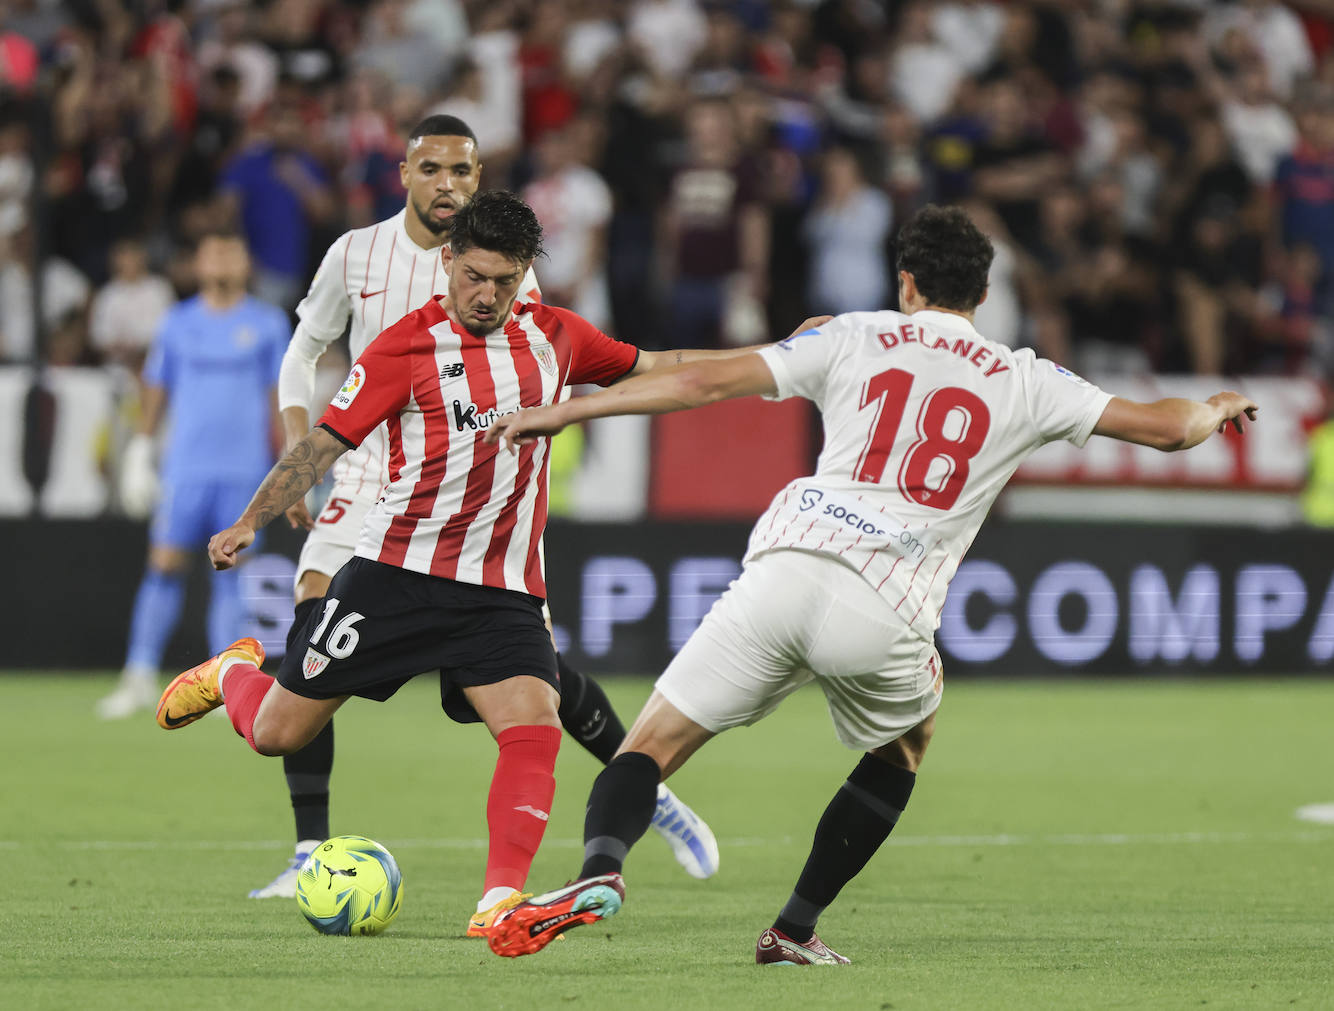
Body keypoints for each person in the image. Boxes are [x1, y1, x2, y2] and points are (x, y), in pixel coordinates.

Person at [480, 205, 1259, 964]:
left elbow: (703, 384)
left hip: (787, 564)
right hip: (887, 599)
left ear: (907, 282)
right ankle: (792, 928)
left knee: (650, 744)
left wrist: (574, 411)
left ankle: (599, 868)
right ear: (983, 297)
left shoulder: (849, 333)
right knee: (906, 746)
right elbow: (1166, 428)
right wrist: (1218, 404)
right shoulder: (1028, 379)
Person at [155, 191, 813, 937]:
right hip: (397, 575)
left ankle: (498, 901)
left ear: (526, 273)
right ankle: (231, 672)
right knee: (278, 731)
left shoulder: (556, 338)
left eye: (504, 280)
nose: (487, 295)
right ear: (447, 262)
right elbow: (324, 444)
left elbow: (663, 366)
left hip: (501, 590)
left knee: (534, 720)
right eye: (473, 276)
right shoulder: (405, 347)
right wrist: (251, 519)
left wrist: (782, 355)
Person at [251, 116, 718, 924]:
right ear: (404, 173)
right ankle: (301, 832)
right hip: (375, 493)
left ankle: (592, 821)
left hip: (488, 529)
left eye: (460, 170)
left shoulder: (526, 296)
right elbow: (309, 361)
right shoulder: (361, 263)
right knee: (292, 686)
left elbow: (632, 367)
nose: (445, 183)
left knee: (525, 698)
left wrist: (776, 361)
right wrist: (279, 475)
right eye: (430, 167)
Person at [97, 230, 289, 719]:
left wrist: (289, 465)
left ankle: (229, 684)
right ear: (198, 263)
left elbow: (279, 398)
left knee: (232, 576)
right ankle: (138, 675)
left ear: (247, 263)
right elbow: (155, 389)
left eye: (233, 250)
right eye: (214, 252)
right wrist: (141, 449)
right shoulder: (177, 324)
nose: (223, 259)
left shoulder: (267, 325)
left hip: (245, 472)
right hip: (186, 469)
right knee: (163, 566)